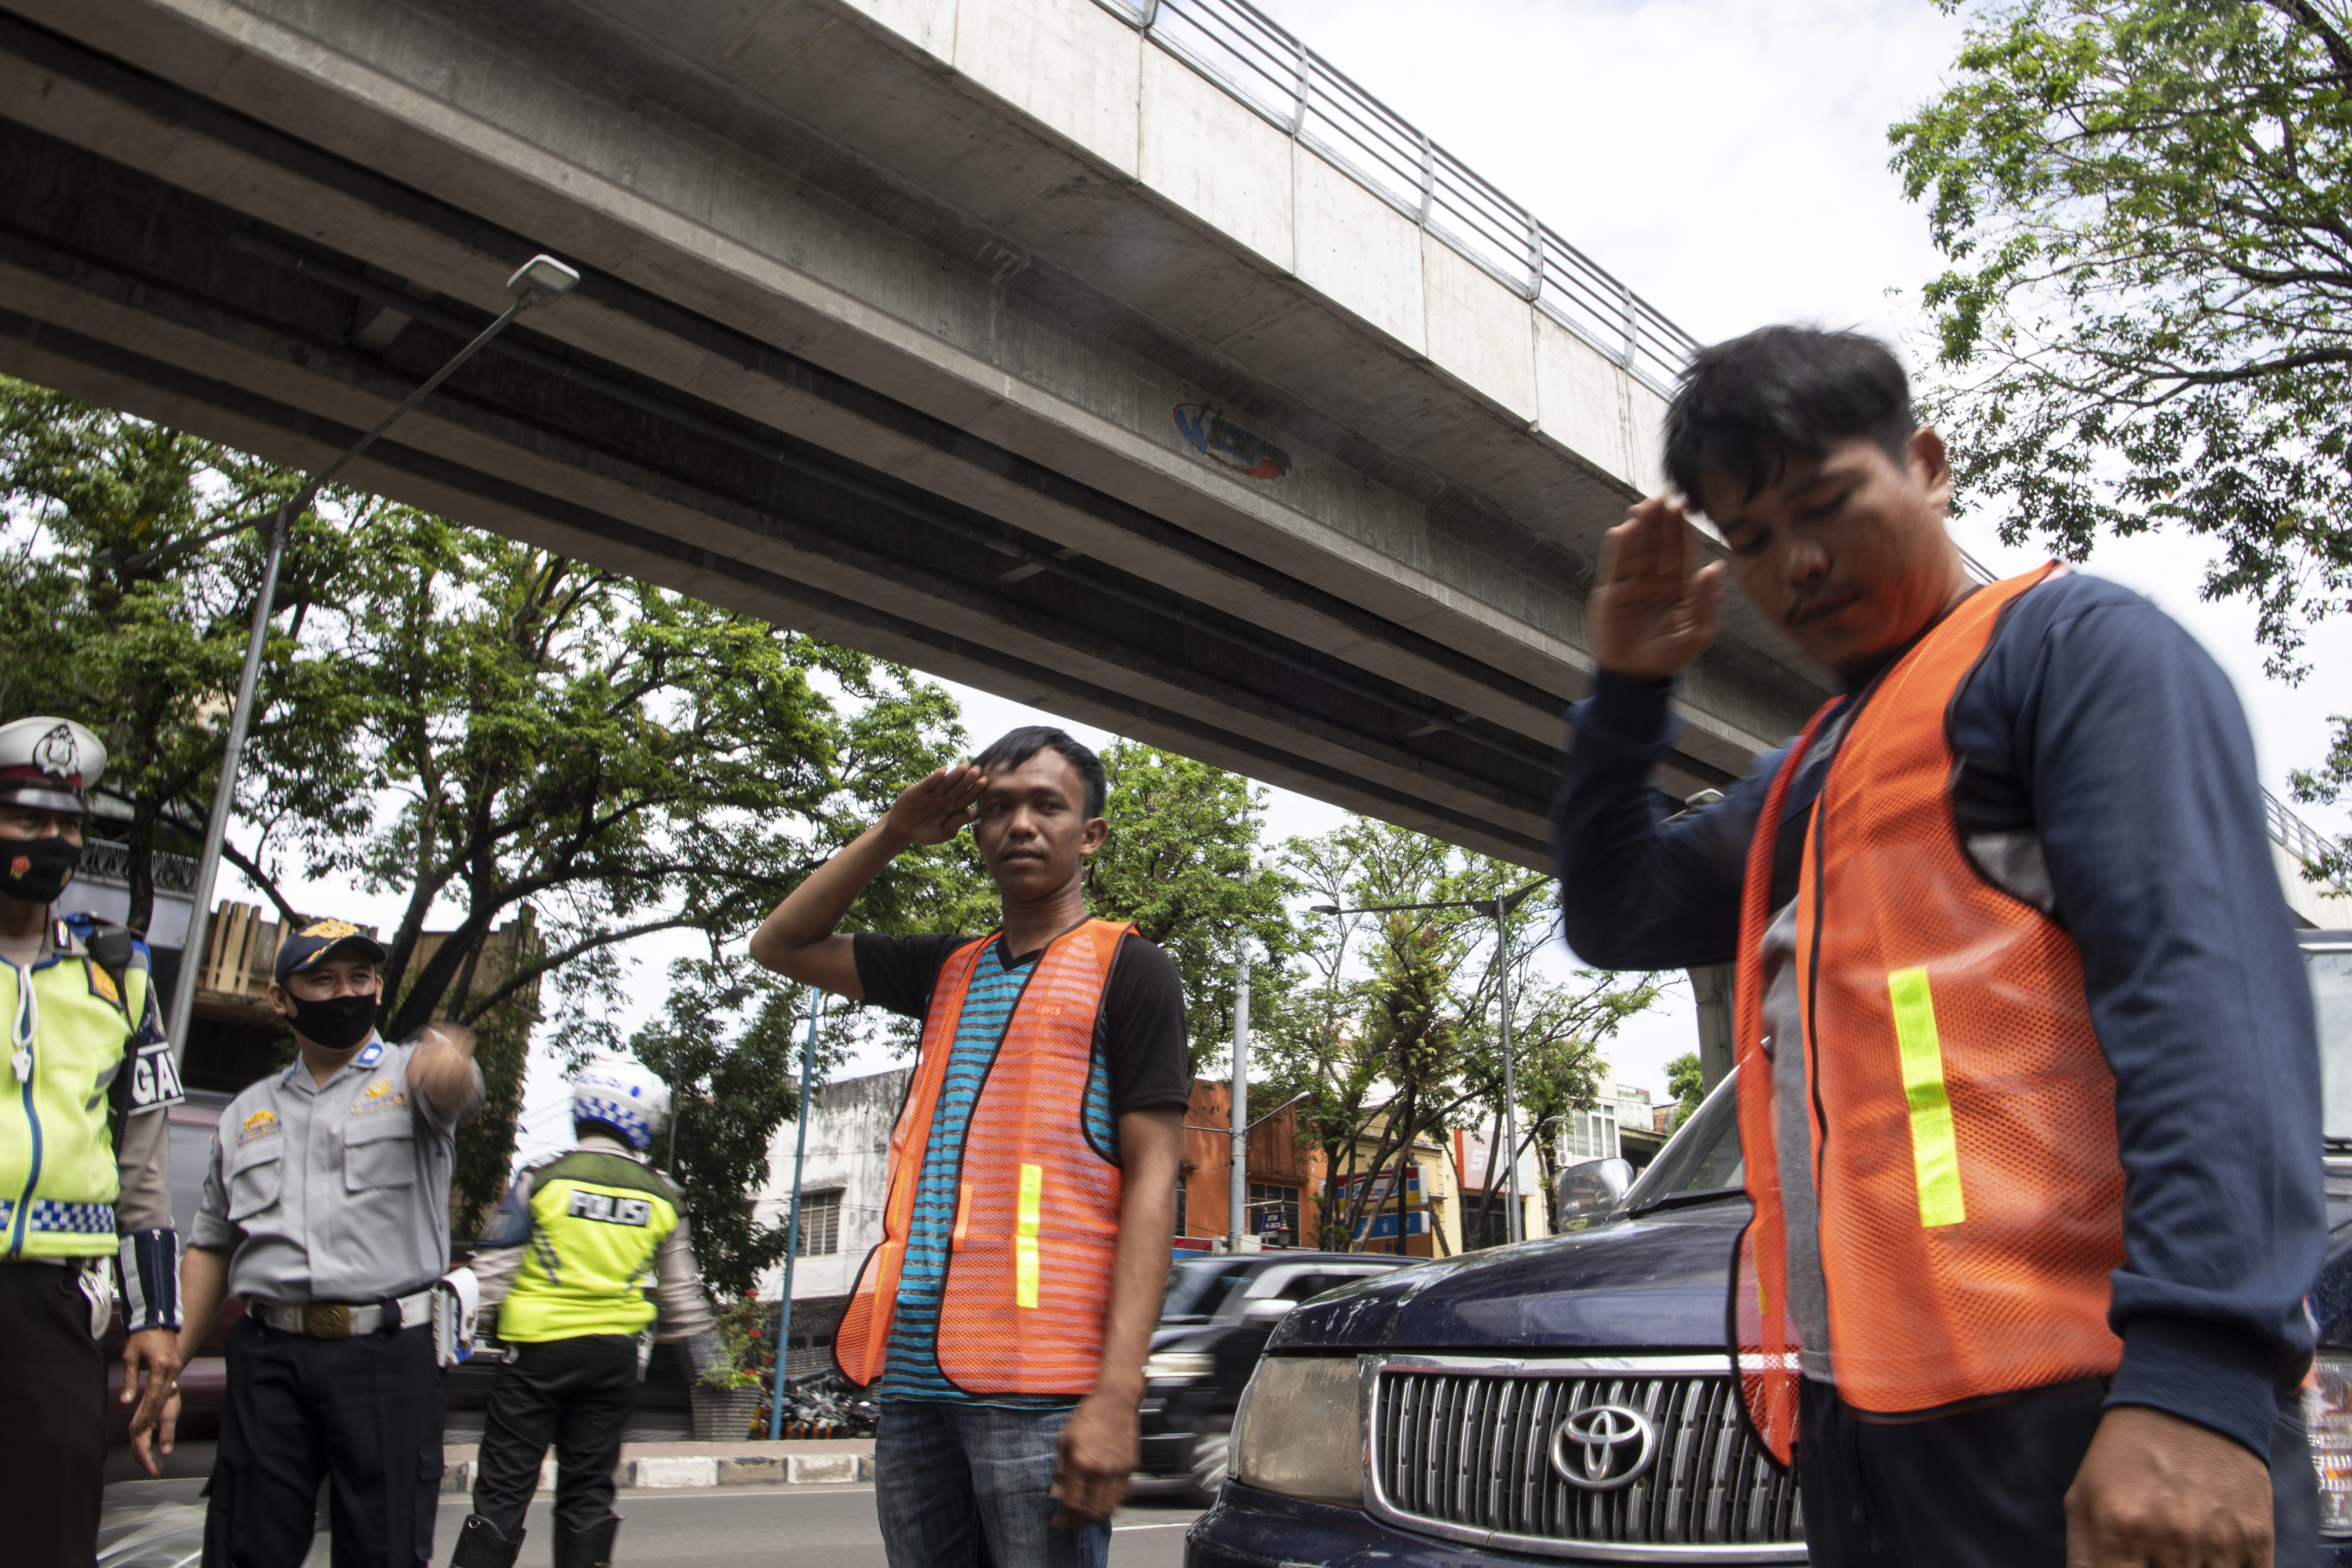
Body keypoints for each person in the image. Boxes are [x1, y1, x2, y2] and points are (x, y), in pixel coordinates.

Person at [1552, 325, 2324, 1568]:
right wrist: (1628, 689)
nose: (1795, 564)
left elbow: (2207, 1000)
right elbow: (1615, 909)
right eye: (1748, 541)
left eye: (1827, 503)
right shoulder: (1811, 771)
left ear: (1924, 461)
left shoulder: (2070, 656)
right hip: (1870, 1435)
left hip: (2095, 1423)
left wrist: (2202, 1375)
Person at [749, 726, 1188, 1568]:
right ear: (975, 831)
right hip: (915, 1385)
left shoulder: (1131, 971)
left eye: (1047, 805)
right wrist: (891, 834)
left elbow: (1151, 1186)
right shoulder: (946, 969)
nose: (1020, 824)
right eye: (997, 808)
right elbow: (780, 944)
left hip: (1045, 1390)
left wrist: (1117, 1393)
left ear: (1089, 833)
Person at [140, 917, 484, 1568]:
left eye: (360, 978)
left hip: (387, 1358)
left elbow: (456, 1087)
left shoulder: (413, 1077)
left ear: (380, 988)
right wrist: (171, 1364)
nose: (344, 994)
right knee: (244, 1549)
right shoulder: (245, 1113)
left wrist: (450, 1065)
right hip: (270, 1361)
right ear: (281, 999)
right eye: (321, 981)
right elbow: (213, 1246)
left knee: (383, 1552)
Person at [0, 716, 185, 1565]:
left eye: (69, 824)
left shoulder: (120, 974)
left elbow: (145, 1167)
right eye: (29, 819)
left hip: (56, 1308)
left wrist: (158, 1322)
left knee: (47, 1534)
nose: (53, 841)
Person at [450, 1058, 720, 1568]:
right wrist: (708, 1358)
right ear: (642, 1119)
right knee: (588, 1494)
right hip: (612, 1362)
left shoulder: (543, 1176)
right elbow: (683, 1295)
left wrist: (453, 1333)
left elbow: (494, 1270)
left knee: (504, 1491)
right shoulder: (664, 1193)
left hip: (533, 1357)